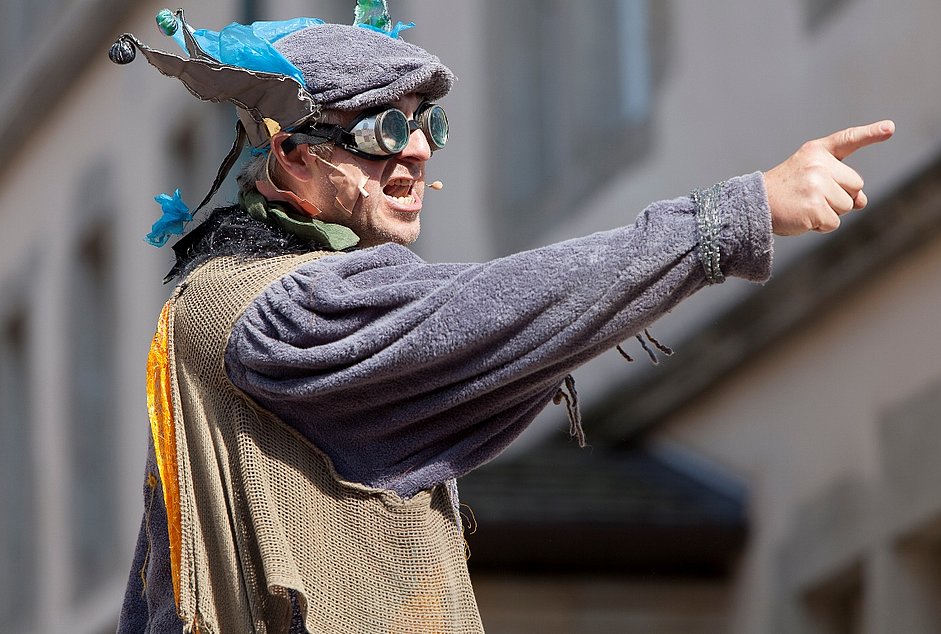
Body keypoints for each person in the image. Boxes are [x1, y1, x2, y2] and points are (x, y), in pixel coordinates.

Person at [112, 3, 894, 633]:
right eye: (384, 130)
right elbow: (479, 315)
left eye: (428, 125)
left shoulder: (274, 292)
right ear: (292, 156)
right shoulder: (253, 303)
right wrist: (727, 219)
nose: (417, 151)